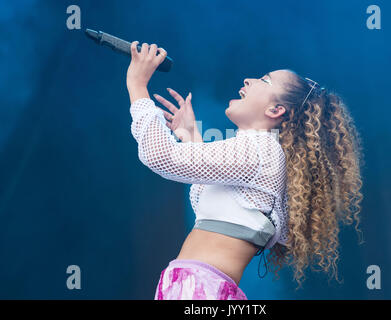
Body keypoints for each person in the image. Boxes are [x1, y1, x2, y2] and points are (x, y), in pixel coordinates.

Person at [126, 42, 364, 300]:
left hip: (202, 292)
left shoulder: (262, 151)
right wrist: (190, 137)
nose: (248, 80)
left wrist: (138, 86)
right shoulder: (261, 157)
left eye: (264, 80)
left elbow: (160, 156)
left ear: (275, 110)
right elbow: (218, 212)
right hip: (197, 288)